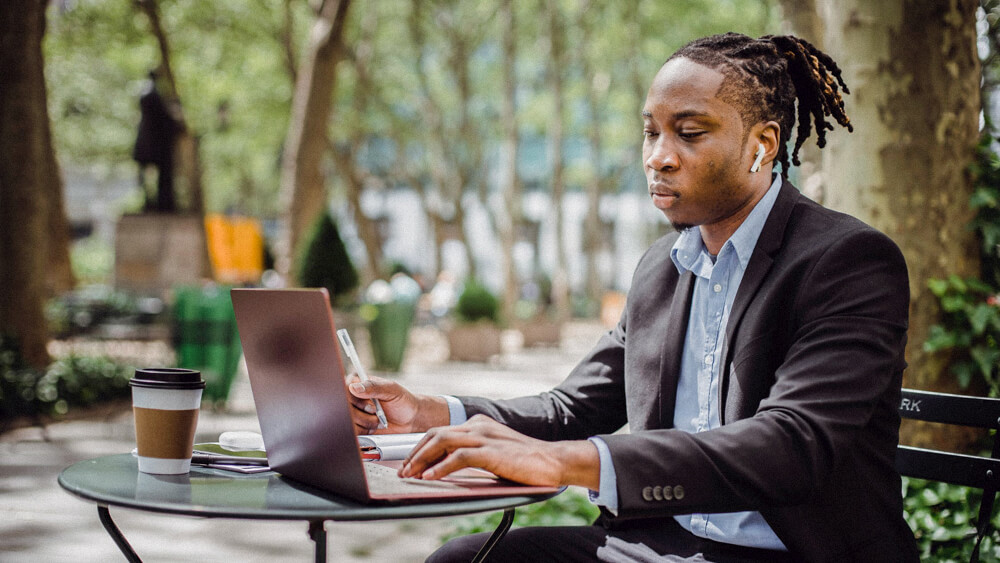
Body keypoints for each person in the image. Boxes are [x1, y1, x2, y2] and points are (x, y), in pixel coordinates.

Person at [349, 32, 919, 562]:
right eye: (652, 131)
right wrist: (430, 413)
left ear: (762, 144)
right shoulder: (661, 268)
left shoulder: (848, 261)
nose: (658, 157)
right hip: (656, 541)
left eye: (689, 133)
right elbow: (575, 408)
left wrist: (569, 462)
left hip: (790, 554)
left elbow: (791, 445)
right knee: (462, 559)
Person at [132, 69, 184, 213]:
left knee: (150, 178)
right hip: (155, 146)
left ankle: (153, 202)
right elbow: (164, 119)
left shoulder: (147, 94)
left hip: (148, 144)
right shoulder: (153, 96)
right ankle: (158, 204)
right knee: (159, 176)